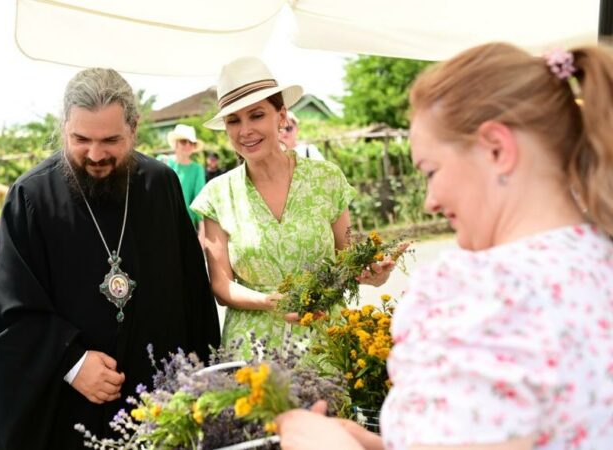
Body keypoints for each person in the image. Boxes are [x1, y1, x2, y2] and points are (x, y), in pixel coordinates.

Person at [275, 43, 613, 450]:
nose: (429, 202)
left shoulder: (480, 289)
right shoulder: (599, 259)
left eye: (431, 171)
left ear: (497, 149)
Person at [0, 67, 221, 450]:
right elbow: (5, 310)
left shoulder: (160, 185)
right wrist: (69, 362)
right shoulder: (31, 198)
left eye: (110, 140)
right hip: (70, 413)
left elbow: (193, 295)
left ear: (134, 129)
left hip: (160, 405)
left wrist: (205, 386)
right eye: (81, 139)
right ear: (64, 129)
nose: (95, 154)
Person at [191, 57, 396, 359]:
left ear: (282, 116)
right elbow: (221, 286)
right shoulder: (217, 195)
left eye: (256, 115)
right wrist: (269, 302)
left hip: (326, 343)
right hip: (253, 352)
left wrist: (374, 273)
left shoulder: (326, 178)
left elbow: (347, 257)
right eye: (233, 121)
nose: (245, 130)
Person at [158, 123, 207, 230]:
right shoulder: (162, 163)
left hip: (185, 226)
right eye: (184, 141)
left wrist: (202, 231)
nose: (188, 145)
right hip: (161, 222)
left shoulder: (197, 169)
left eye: (191, 143)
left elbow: (200, 201)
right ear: (176, 144)